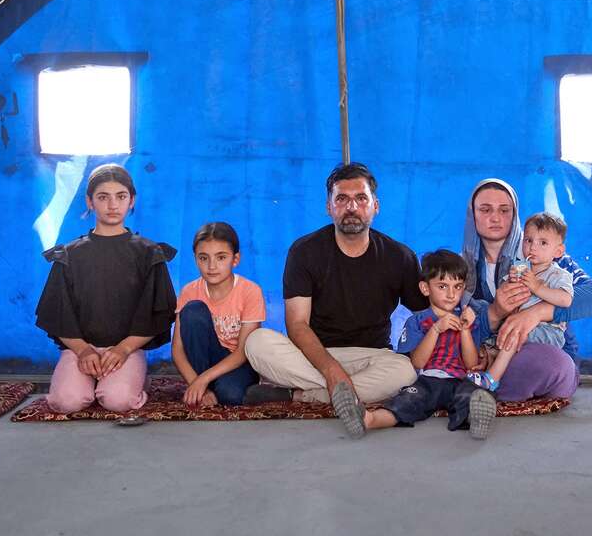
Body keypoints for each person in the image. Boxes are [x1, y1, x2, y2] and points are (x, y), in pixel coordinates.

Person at [243, 162, 427, 438]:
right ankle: (337, 390)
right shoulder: (305, 252)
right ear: (329, 207)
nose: (351, 207)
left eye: (360, 198)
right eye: (341, 198)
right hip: (314, 354)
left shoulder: (399, 257)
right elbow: (297, 325)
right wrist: (331, 371)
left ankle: (301, 396)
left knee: (404, 371)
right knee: (257, 343)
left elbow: (426, 314)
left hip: (372, 355)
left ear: (375, 205)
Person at [35, 164, 177, 413]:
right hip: (80, 348)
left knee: (118, 401)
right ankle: (85, 380)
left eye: (120, 196)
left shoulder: (149, 253)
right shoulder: (69, 255)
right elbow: (58, 313)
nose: (113, 205)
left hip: (127, 348)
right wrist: (83, 350)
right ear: (90, 202)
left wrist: (124, 349)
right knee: (67, 402)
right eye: (103, 197)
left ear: (132, 200)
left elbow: (158, 314)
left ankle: (132, 379)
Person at [462, 178, 592, 402]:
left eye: (504, 210)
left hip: (537, 350)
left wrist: (536, 312)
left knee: (545, 363)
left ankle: (480, 395)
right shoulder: (463, 268)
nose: (495, 218)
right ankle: (486, 391)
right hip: (493, 351)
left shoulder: (542, 253)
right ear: (472, 215)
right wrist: (496, 313)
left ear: (515, 213)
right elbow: (455, 320)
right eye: (485, 209)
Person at [361, 250, 498, 440]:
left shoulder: (468, 319)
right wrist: (435, 330)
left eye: (457, 286)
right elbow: (416, 363)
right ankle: (370, 419)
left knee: (472, 394)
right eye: (442, 286)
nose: (451, 294)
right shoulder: (416, 321)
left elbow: (471, 363)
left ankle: (476, 420)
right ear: (425, 288)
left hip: (460, 380)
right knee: (407, 399)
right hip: (427, 381)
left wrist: (466, 331)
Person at [466, 213, 573, 392]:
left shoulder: (559, 275)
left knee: (512, 335)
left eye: (543, 243)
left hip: (548, 330)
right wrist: (511, 283)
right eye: (528, 240)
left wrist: (537, 287)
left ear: (558, 251)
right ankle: (489, 360)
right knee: (494, 334)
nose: (533, 247)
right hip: (518, 325)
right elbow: (505, 300)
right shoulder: (520, 270)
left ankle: (492, 379)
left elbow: (565, 300)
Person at [171, 222, 264, 406]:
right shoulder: (189, 291)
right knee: (193, 309)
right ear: (195, 259)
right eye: (203, 258)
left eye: (221, 257)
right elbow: (178, 350)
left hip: (237, 362)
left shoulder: (250, 291)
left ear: (235, 259)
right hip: (203, 361)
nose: (212, 266)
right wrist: (197, 383)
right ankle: (206, 388)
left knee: (230, 396)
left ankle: (223, 386)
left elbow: (241, 353)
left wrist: (202, 381)